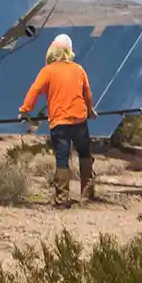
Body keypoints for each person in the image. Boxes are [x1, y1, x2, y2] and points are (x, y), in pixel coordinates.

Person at [20, 33, 97, 204]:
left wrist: (25, 110)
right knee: (84, 154)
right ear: (69, 51)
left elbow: (34, 91)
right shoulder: (79, 69)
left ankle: (62, 198)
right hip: (79, 120)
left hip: (59, 122)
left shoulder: (47, 71)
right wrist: (90, 110)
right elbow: (87, 93)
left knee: (62, 158)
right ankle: (86, 195)